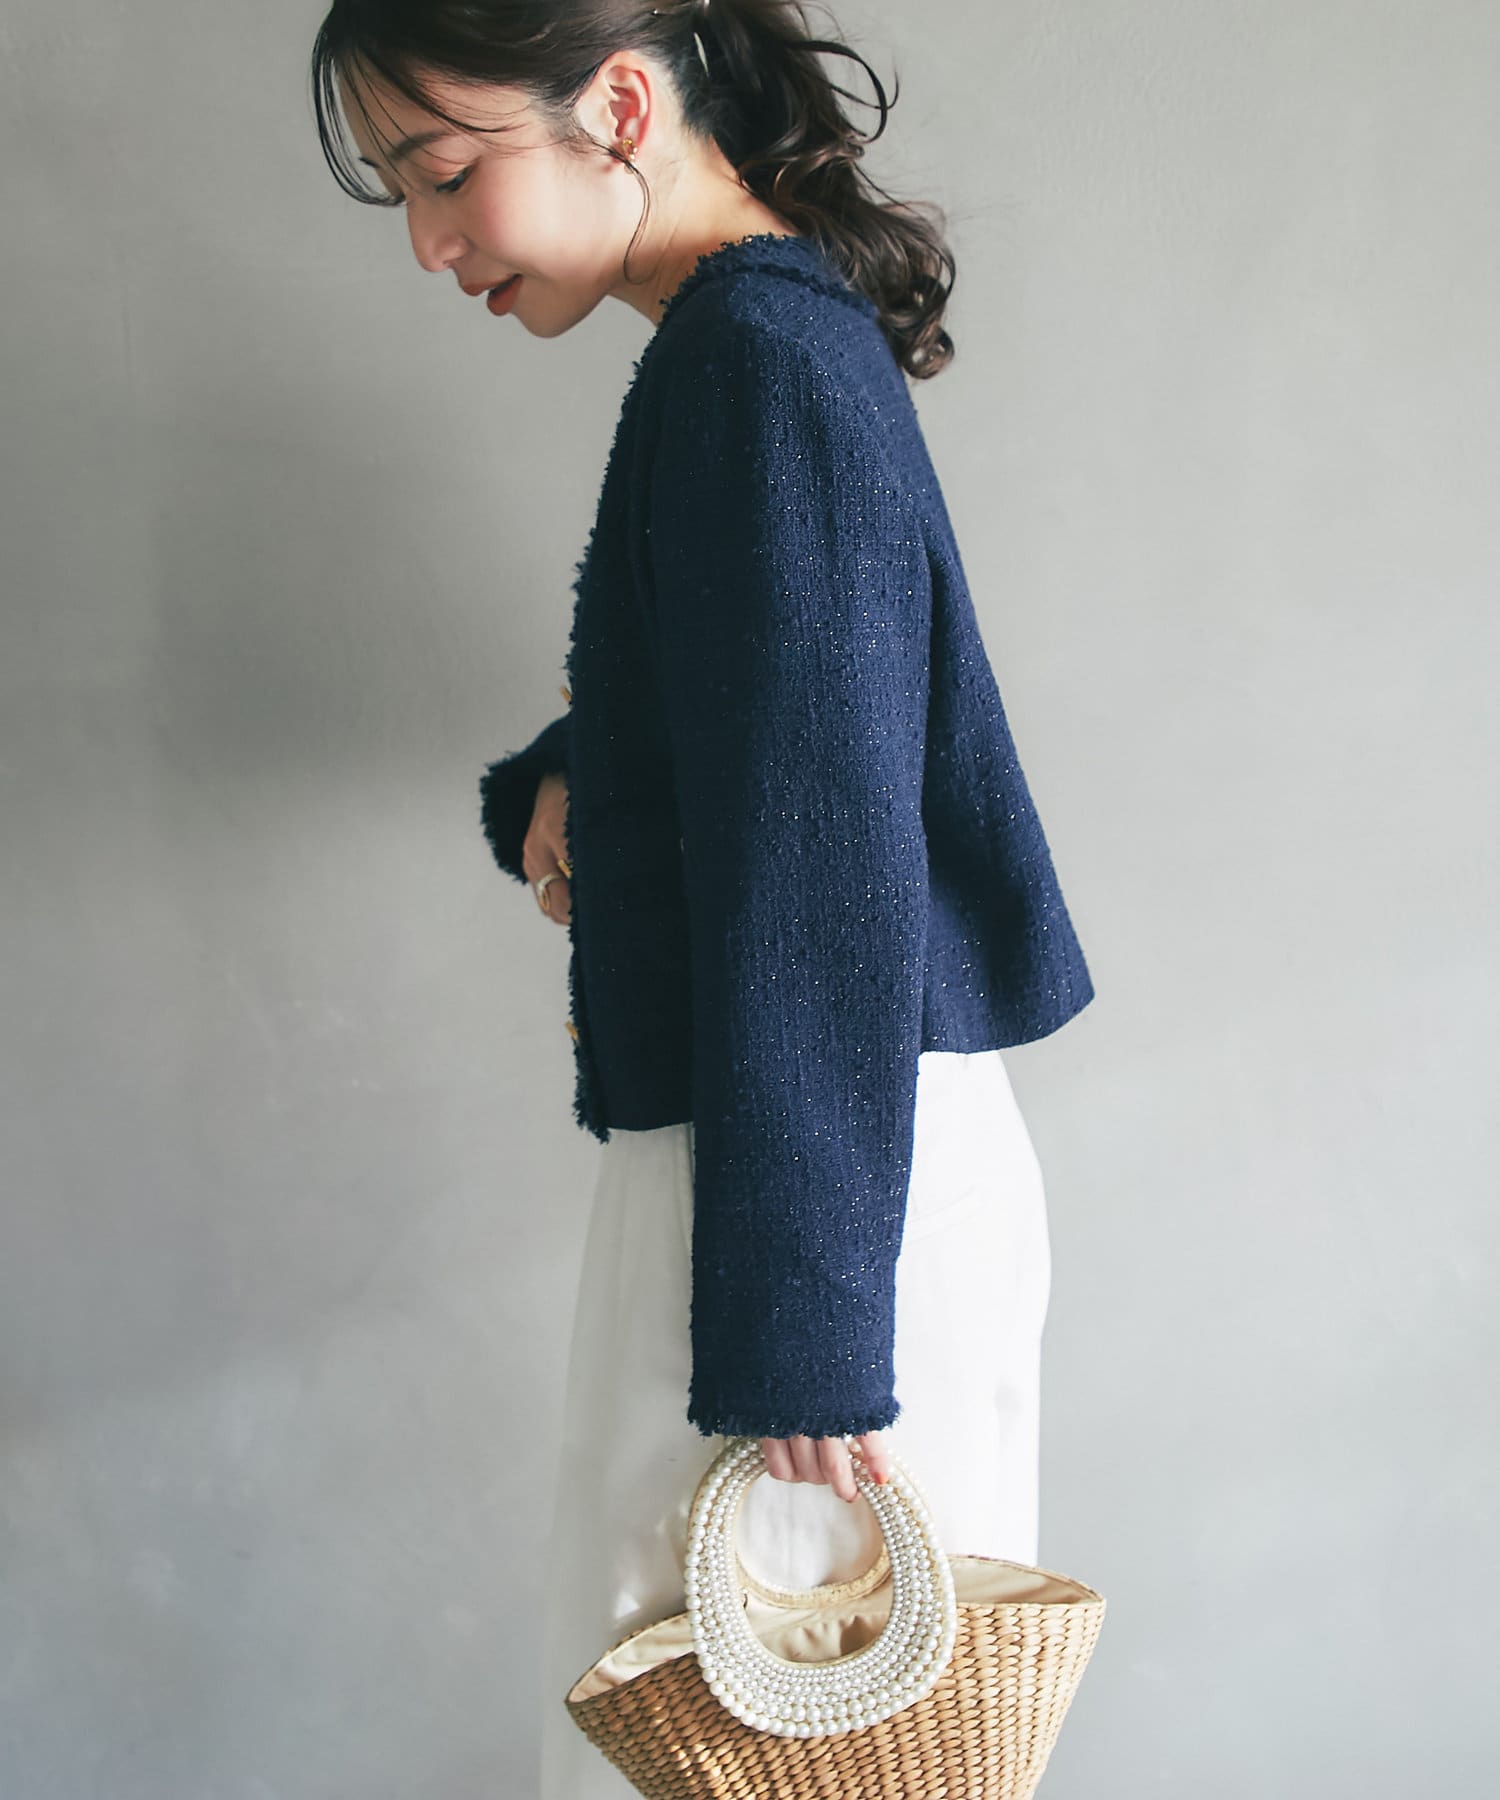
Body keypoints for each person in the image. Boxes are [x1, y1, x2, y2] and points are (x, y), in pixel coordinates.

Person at [311, 2, 1095, 1792]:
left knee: (761, 1742)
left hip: (811, 1191)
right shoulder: (757, 343)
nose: (429, 240)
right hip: (808, 1165)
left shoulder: (754, 364)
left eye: (445, 171)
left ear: (618, 103)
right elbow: (770, 721)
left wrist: (803, 1339)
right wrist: (579, 776)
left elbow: (826, 858)